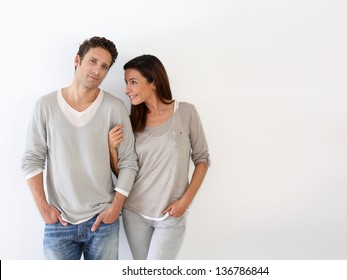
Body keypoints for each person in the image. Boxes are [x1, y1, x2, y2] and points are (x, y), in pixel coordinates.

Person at [21, 36, 138, 260]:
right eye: (93, 61)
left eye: (104, 66)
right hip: (59, 222)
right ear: (77, 60)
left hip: (102, 221)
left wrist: (115, 208)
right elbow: (32, 159)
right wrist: (43, 207)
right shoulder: (45, 105)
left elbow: (129, 162)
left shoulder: (115, 107)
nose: (98, 70)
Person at [109, 54, 210, 259]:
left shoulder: (186, 112)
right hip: (134, 211)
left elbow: (202, 159)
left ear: (153, 82)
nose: (127, 89)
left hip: (170, 214)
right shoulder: (132, 122)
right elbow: (124, 172)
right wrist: (112, 149)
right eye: (126, 83)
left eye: (133, 82)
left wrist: (185, 201)